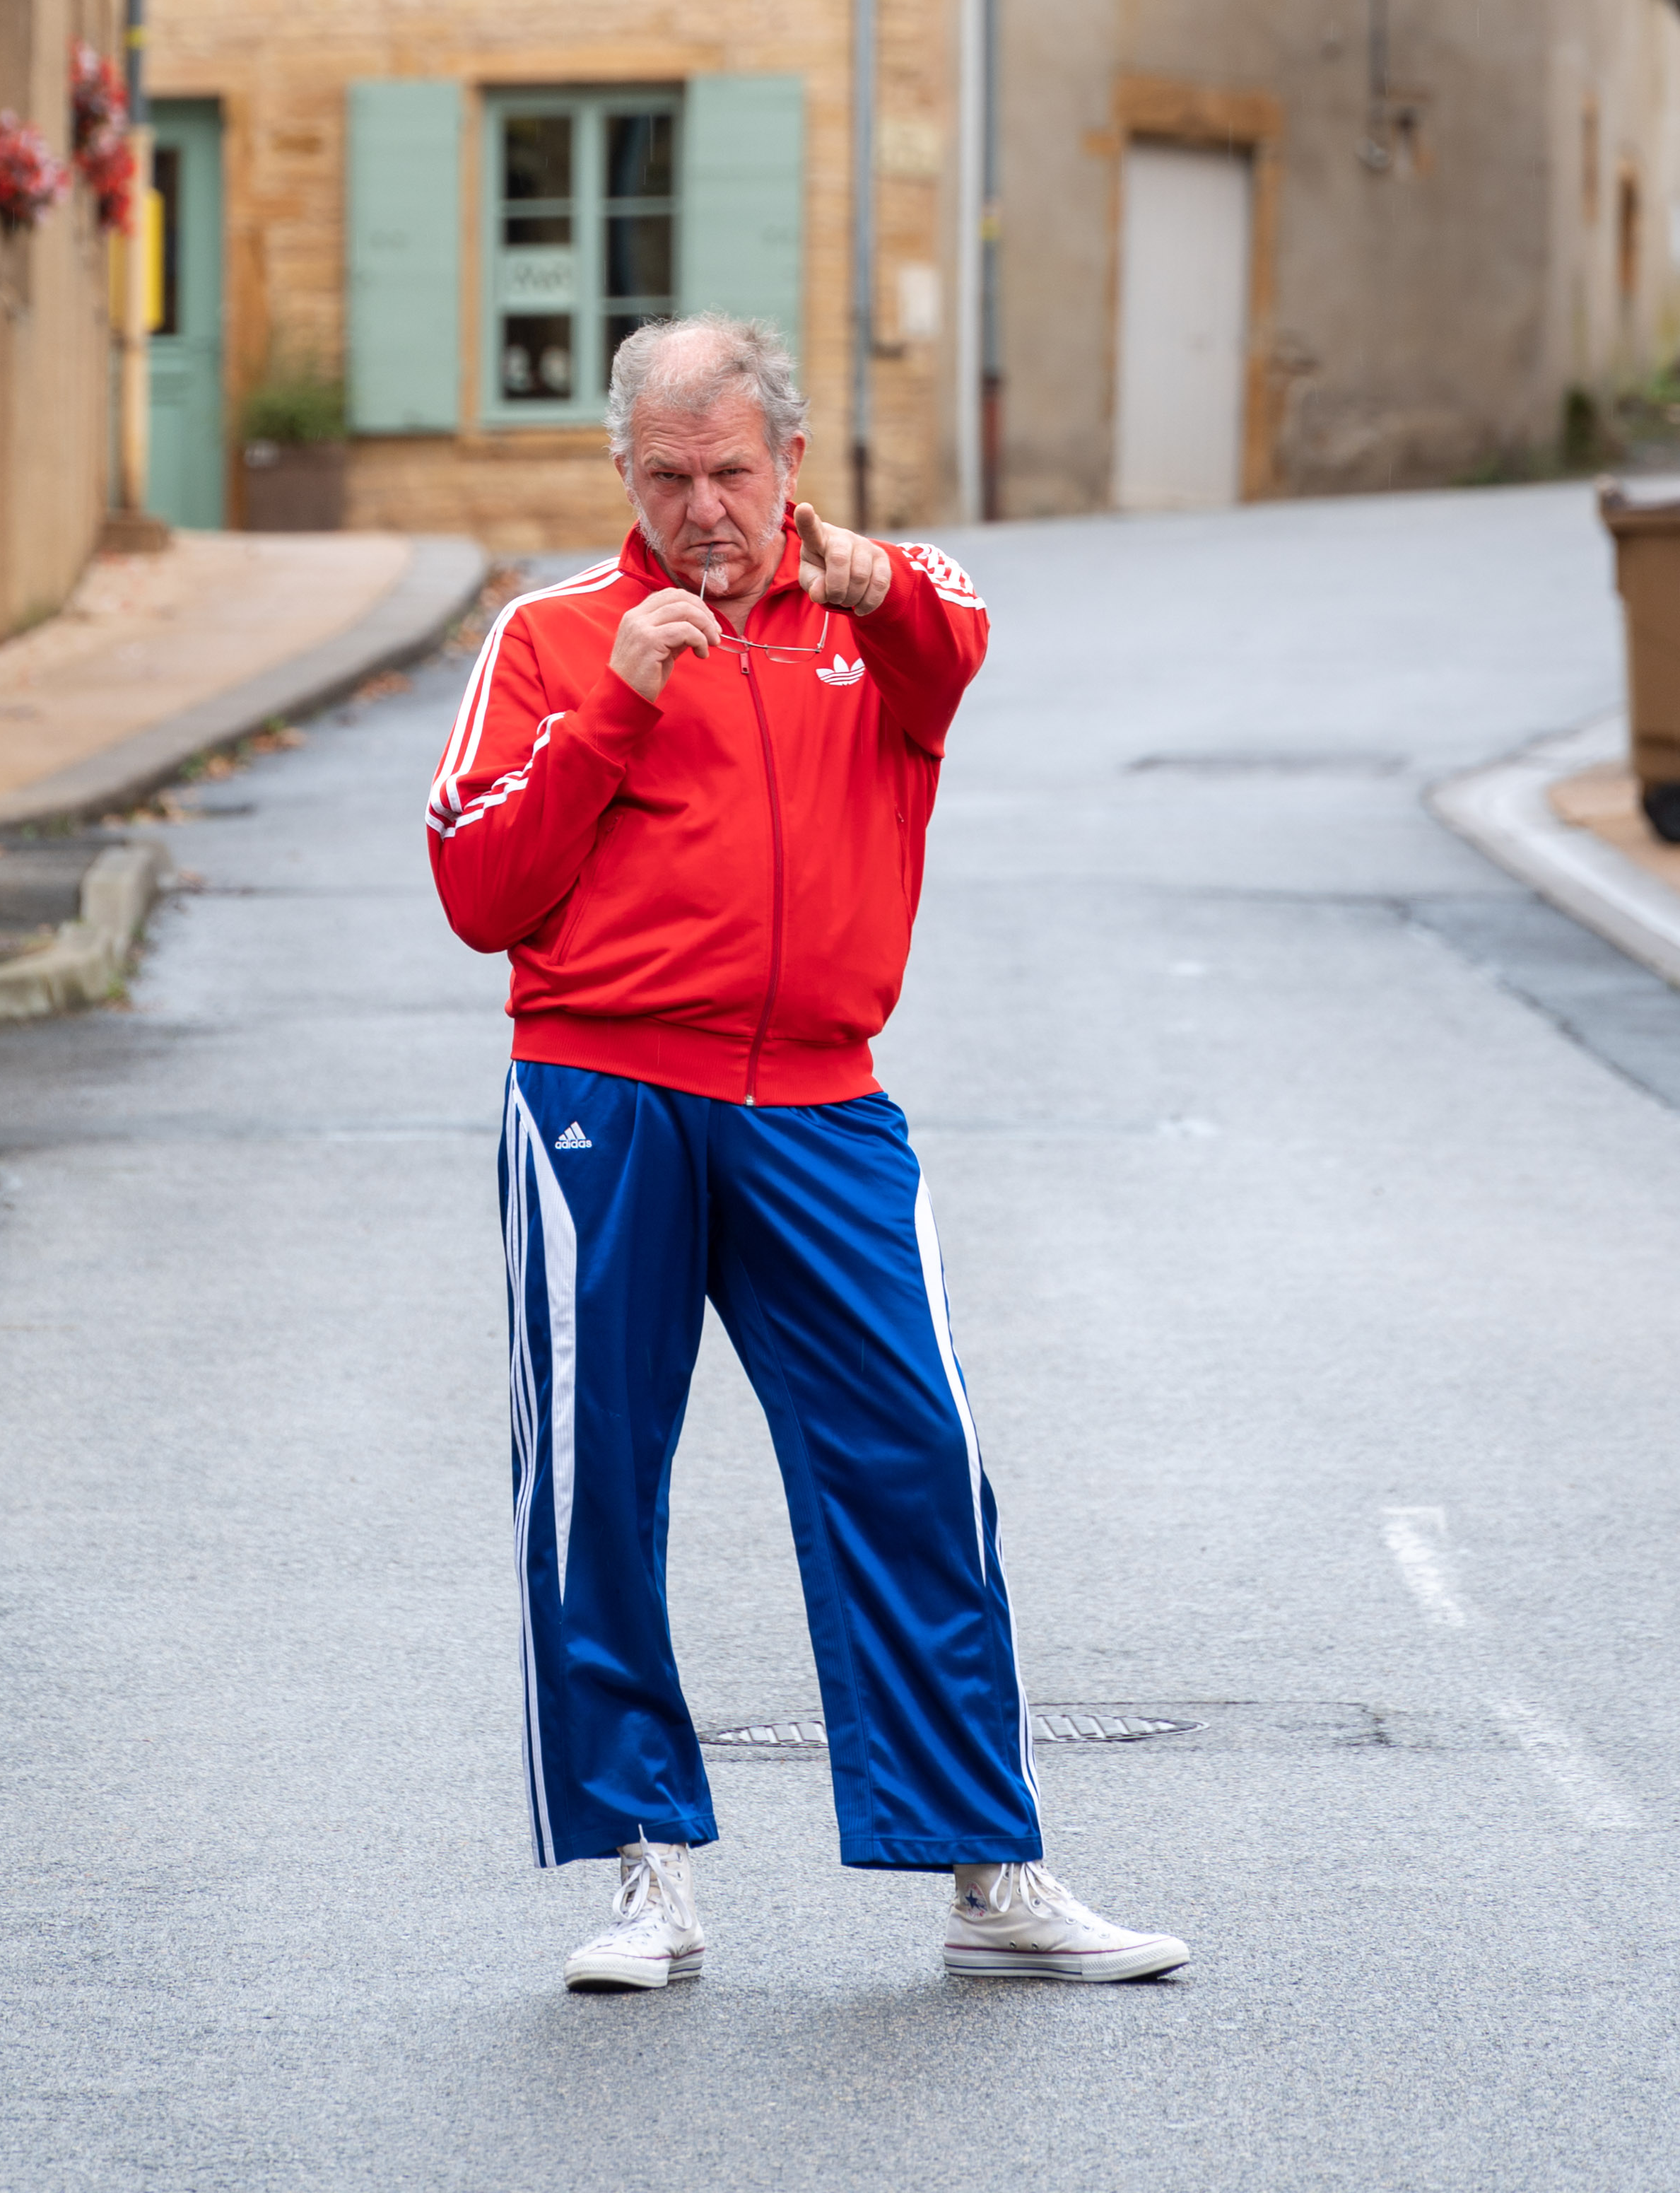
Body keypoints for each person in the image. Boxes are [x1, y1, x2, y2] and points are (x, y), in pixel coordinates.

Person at [428, 312, 1189, 1994]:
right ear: (620, 474)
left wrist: (858, 579)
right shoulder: (553, 636)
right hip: (597, 1096)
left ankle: (985, 1865)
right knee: (593, 1488)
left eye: (733, 472)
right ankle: (644, 1870)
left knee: (916, 1464)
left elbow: (956, 636)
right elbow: (476, 888)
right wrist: (609, 719)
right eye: (667, 476)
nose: (703, 508)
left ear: (788, 465)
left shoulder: (872, 611)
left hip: (824, 1099)